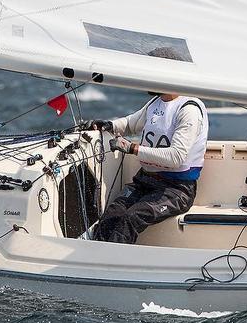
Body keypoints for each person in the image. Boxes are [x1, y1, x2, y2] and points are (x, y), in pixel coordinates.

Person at [84, 91, 208, 244]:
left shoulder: (189, 110)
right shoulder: (156, 102)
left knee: (131, 218)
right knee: (112, 214)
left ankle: (109, 262)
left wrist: (132, 148)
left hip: (176, 190)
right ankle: (94, 256)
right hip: (144, 181)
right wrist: (110, 125)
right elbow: (131, 124)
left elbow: (176, 157)